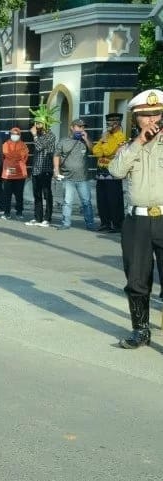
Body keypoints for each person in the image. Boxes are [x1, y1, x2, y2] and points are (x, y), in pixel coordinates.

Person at [108, 88, 163, 349]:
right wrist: (138, 142)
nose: (152, 119)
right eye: (145, 115)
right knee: (137, 280)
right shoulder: (129, 146)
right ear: (136, 118)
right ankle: (141, 330)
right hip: (137, 221)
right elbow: (116, 171)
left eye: (157, 114)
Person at [53, 119, 95, 230]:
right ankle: (66, 223)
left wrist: (86, 139)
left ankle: (90, 224)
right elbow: (56, 155)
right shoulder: (64, 141)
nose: (81, 129)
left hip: (83, 178)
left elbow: (94, 150)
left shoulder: (85, 141)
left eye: (83, 127)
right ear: (72, 127)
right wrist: (56, 170)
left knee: (86, 202)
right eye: (79, 126)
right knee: (67, 202)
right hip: (68, 178)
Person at [92, 113, 127, 233]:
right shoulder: (106, 135)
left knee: (114, 200)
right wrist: (103, 146)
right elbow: (95, 151)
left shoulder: (120, 137)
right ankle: (105, 223)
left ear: (117, 124)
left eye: (111, 123)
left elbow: (109, 151)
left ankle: (117, 224)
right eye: (107, 123)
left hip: (113, 173)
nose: (108, 125)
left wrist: (104, 145)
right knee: (102, 200)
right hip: (101, 173)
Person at [26, 113, 57, 227]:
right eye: (35, 123)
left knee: (47, 194)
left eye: (38, 123)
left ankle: (47, 218)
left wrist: (34, 135)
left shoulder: (50, 135)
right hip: (36, 169)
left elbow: (39, 147)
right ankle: (37, 217)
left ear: (45, 124)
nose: (36, 126)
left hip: (46, 168)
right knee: (37, 194)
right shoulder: (38, 136)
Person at [0, 127, 29, 220]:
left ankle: (19, 212)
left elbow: (24, 156)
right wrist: (17, 157)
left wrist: (13, 158)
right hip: (8, 173)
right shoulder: (5, 144)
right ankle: (6, 212)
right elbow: (6, 154)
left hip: (20, 173)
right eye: (13, 134)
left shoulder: (23, 145)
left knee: (19, 194)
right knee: (6, 194)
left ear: (19, 135)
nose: (14, 136)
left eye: (17, 134)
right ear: (10, 134)